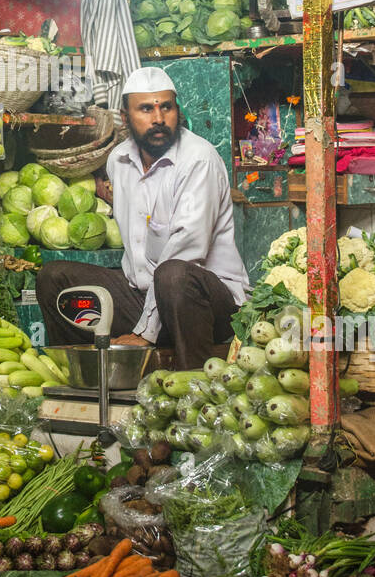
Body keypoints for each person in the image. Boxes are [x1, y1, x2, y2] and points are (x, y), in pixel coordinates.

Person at [36, 67, 251, 369]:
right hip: (142, 296)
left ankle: (195, 390)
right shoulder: (118, 161)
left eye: (166, 107)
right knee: (54, 278)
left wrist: (145, 333)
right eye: (146, 109)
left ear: (177, 110)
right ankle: (85, 374)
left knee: (173, 274)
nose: (158, 118)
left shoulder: (199, 161)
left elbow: (188, 252)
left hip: (208, 303)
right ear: (125, 118)